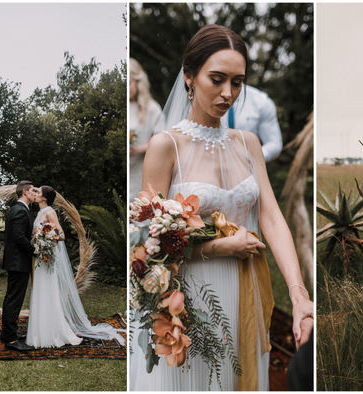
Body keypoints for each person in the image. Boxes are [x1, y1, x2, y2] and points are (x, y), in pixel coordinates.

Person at [132, 24, 313, 391]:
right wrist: (220, 247)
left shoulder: (249, 143)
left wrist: (298, 293)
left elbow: (272, 218)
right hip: (191, 298)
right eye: (217, 79)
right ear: (189, 77)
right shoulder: (166, 146)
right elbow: (149, 243)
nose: (228, 93)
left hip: (248, 291)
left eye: (237, 82)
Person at [26, 186, 125, 348]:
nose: (35, 195)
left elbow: (61, 235)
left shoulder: (50, 212)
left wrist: (44, 237)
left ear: (44, 198)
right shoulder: (39, 213)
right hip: (40, 259)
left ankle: (53, 333)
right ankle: (39, 332)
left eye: (38, 193)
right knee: (39, 292)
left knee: (48, 292)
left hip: (47, 258)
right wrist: (38, 239)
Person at [1, 180, 37, 351]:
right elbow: (19, 237)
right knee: (14, 300)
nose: (35, 194)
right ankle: (10, 339)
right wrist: (35, 250)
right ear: (24, 192)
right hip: (18, 262)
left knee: (13, 298)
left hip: (16, 261)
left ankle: (10, 333)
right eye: (33, 191)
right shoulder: (21, 211)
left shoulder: (18, 209)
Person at [220, 84, 283, 162]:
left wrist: (250, 158)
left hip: (248, 169)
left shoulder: (261, 101)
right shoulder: (204, 97)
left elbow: (274, 144)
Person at [130, 58, 164, 199]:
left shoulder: (152, 109)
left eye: (129, 83)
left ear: (138, 83)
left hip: (142, 169)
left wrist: (138, 149)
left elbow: (162, 141)